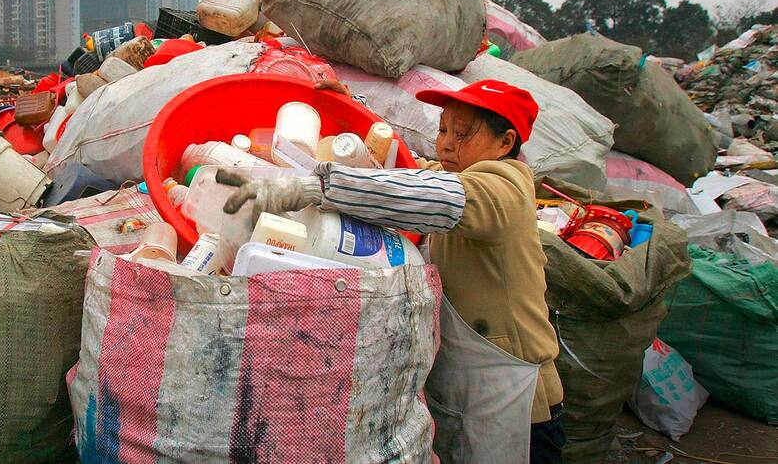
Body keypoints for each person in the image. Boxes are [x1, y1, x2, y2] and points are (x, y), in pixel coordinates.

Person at [218, 79, 565, 463]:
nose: (446, 143)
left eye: (463, 133)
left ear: (505, 143)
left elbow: (428, 196)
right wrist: (356, 122)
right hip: (468, 389)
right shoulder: (453, 174)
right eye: (444, 129)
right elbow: (401, 172)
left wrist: (316, 189)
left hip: (515, 399)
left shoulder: (505, 188)